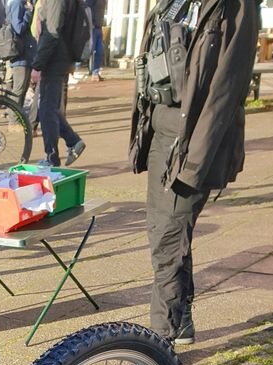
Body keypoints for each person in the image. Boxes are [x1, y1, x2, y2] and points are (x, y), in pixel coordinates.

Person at [130, 0, 258, 346]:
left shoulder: (236, 7)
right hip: (161, 131)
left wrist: (195, 161)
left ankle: (162, 340)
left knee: (169, 237)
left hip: (193, 140)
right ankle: (180, 320)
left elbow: (226, 91)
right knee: (164, 231)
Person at [31, 0, 90, 166]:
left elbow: (52, 31)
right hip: (58, 57)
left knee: (47, 110)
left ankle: (52, 157)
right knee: (50, 108)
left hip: (54, 59)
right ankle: (73, 141)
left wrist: (38, 65)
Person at [4, 0, 37, 106]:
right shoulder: (17, 3)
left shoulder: (24, 3)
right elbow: (18, 28)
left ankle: (18, 118)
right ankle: (13, 119)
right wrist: (29, 12)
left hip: (27, 53)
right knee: (19, 89)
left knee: (23, 89)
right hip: (20, 55)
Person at [85, 0, 105, 79]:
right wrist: (90, 23)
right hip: (92, 27)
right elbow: (87, 8)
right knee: (89, 50)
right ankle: (75, 68)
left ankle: (95, 72)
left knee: (100, 51)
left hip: (99, 27)